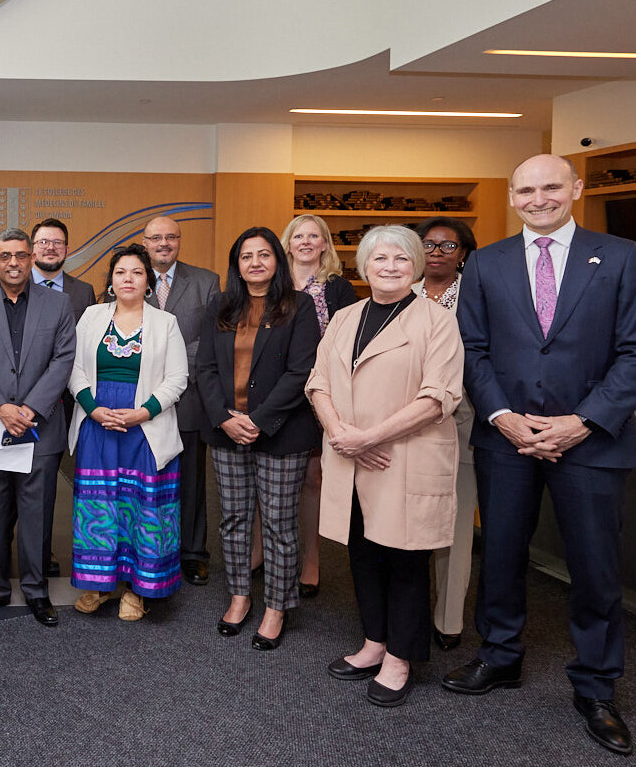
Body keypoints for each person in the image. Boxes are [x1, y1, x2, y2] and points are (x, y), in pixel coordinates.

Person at [443, 154, 636, 756]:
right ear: (512, 197)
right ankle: (501, 657)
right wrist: (503, 417)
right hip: (506, 439)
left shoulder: (622, 257)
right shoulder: (486, 263)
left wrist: (582, 421)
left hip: (592, 443)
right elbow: (472, 348)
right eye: (526, 189)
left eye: (550, 186)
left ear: (576, 188)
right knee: (503, 556)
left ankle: (596, 687)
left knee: (595, 569)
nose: (539, 198)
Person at [306, 225, 463, 707]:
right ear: (364, 266)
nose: (390, 266)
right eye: (380, 258)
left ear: (415, 266)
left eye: (400, 259)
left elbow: (440, 396)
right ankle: (374, 641)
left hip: (403, 457)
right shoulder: (345, 317)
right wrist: (341, 435)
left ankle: (401, 656)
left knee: (405, 557)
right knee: (362, 553)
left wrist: (369, 438)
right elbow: (318, 382)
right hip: (351, 456)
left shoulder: (436, 321)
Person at [198, 227, 321, 649]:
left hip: (281, 433)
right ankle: (239, 596)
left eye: (264, 254)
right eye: (246, 256)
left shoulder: (298, 306)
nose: (255, 262)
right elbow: (206, 369)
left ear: (277, 261)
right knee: (233, 519)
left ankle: (276, 607)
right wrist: (224, 418)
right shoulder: (220, 305)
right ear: (236, 264)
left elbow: (301, 371)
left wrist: (258, 419)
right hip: (226, 431)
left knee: (279, 524)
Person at [0, 228, 76, 626]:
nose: (13, 263)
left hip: (39, 427)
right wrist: (1, 408)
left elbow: (63, 360)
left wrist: (28, 409)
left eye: (21, 255)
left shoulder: (58, 304)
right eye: (5, 255)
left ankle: (36, 589)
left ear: (31, 258)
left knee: (37, 513)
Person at [68, 244, 187, 621]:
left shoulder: (165, 323)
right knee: (100, 507)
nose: (128, 279)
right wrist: (93, 407)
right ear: (110, 281)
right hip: (97, 425)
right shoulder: (90, 316)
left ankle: (139, 589)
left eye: (136, 272)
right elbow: (72, 368)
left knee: (143, 509)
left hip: (145, 430)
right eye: (121, 272)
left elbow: (177, 379)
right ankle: (100, 584)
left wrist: (141, 413)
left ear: (148, 281)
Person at [281, 212, 359, 599]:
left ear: (325, 244)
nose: (306, 242)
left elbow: (348, 342)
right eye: (299, 236)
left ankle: (310, 561)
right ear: (289, 243)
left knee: (312, 479)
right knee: (268, 476)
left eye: (315, 236)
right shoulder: (273, 282)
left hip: (318, 392)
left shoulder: (339, 289)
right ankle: (263, 551)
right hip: (277, 392)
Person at [411, 217, 479, 651]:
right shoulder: (401, 292)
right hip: (407, 423)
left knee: (455, 522)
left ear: (464, 254)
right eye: (428, 244)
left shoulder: (478, 297)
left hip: (464, 420)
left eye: (447, 246)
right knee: (411, 521)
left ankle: (448, 619)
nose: (436, 252)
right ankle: (409, 611)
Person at [141, 216, 220, 586]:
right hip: (138, 401)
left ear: (179, 241)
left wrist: (171, 371)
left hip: (188, 395)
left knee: (189, 478)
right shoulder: (129, 278)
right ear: (145, 242)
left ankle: (192, 552)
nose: (164, 243)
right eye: (156, 237)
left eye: (171, 237)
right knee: (146, 478)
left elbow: (211, 339)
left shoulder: (206, 282)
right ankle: (152, 549)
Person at [30, 217, 97, 579]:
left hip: (73, 403)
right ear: (31, 248)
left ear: (67, 250)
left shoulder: (83, 292)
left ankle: (87, 555)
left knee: (79, 483)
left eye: (57, 243)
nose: (50, 248)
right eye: (43, 242)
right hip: (26, 403)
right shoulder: (17, 285)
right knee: (27, 486)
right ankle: (33, 555)